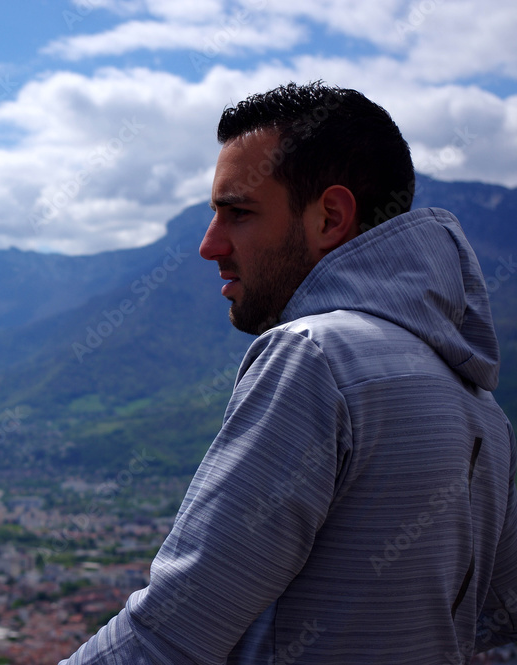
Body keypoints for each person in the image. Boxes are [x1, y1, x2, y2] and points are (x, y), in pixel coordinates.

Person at [60, 81, 517, 664]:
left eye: (238, 212)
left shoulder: (316, 357)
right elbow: (501, 612)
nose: (208, 245)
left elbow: (169, 635)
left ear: (330, 217)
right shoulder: (479, 401)